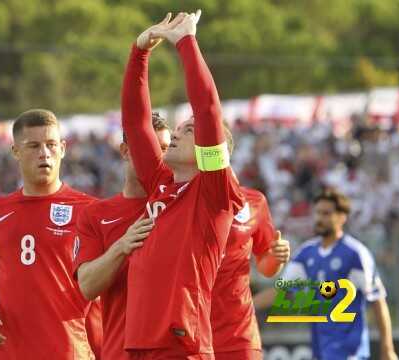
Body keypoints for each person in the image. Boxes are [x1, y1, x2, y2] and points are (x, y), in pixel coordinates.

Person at [121, 11, 244, 358]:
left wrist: (187, 41)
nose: (175, 133)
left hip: (181, 345)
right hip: (139, 345)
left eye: (186, 131)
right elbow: (135, 122)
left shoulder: (214, 189)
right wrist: (139, 52)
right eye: (177, 129)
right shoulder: (161, 183)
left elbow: (206, 110)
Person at [0, 109, 98, 359]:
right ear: (15, 151)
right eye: (34, 146)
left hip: (69, 351)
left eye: (51, 145)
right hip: (8, 352)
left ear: (64, 148)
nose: (44, 153)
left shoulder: (89, 210)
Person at [254, 188, 398, 360]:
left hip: (350, 350)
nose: (319, 218)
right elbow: (281, 291)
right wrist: (247, 307)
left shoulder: (355, 254)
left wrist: (387, 348)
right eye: (317, 213)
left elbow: (377, 300)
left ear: (342, 217)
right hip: (320, 347)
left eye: (326, 213)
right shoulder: (307, 253)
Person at [75, 113, 171, 359]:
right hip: (121, 352)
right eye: (148, 148)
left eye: (164, 148)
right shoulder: (96, 214)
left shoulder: (181, 205)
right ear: (125, 151)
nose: (158, 158)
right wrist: (122, 246)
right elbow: (87, 287)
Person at [210, 128, 291, 360]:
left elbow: (266, 266)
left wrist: (276, 255)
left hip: (237, 334)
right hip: (185, 334)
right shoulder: (175, 198)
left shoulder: (254, 201)